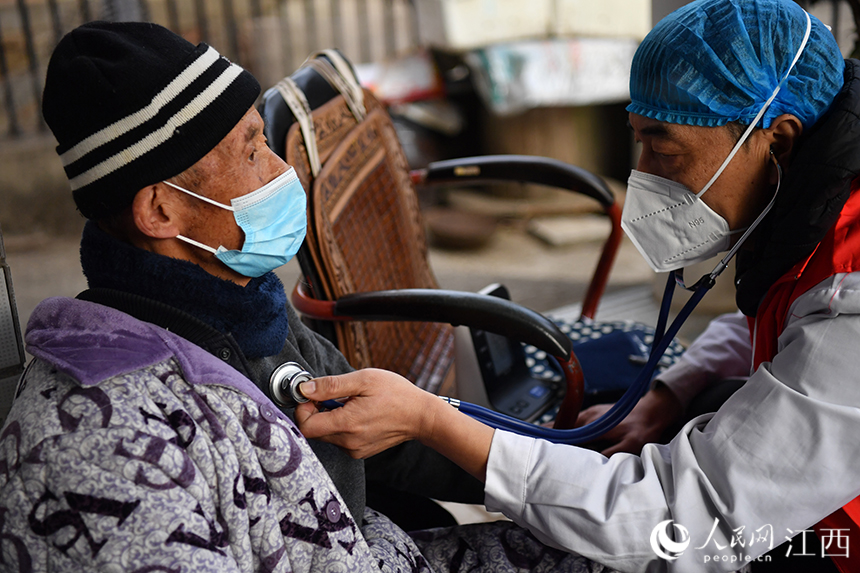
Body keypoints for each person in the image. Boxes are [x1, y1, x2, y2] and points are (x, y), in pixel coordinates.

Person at [0, 21, 616, 573]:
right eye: (249, 151)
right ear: (161, 210)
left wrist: (578, 465)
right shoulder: (103, 444)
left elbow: (380, 436)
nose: (280, 171)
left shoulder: (240, 303)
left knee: (615, 547)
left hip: (375, 549)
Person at [295, 0, 860, 571]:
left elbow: (678, 522)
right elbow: (777, 324)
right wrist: (668, 392)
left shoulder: (851, 296)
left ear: (779, 141)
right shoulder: (813, 205)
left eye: (664, 152)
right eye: (638, 143)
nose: (643, 180)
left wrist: (432, 421)